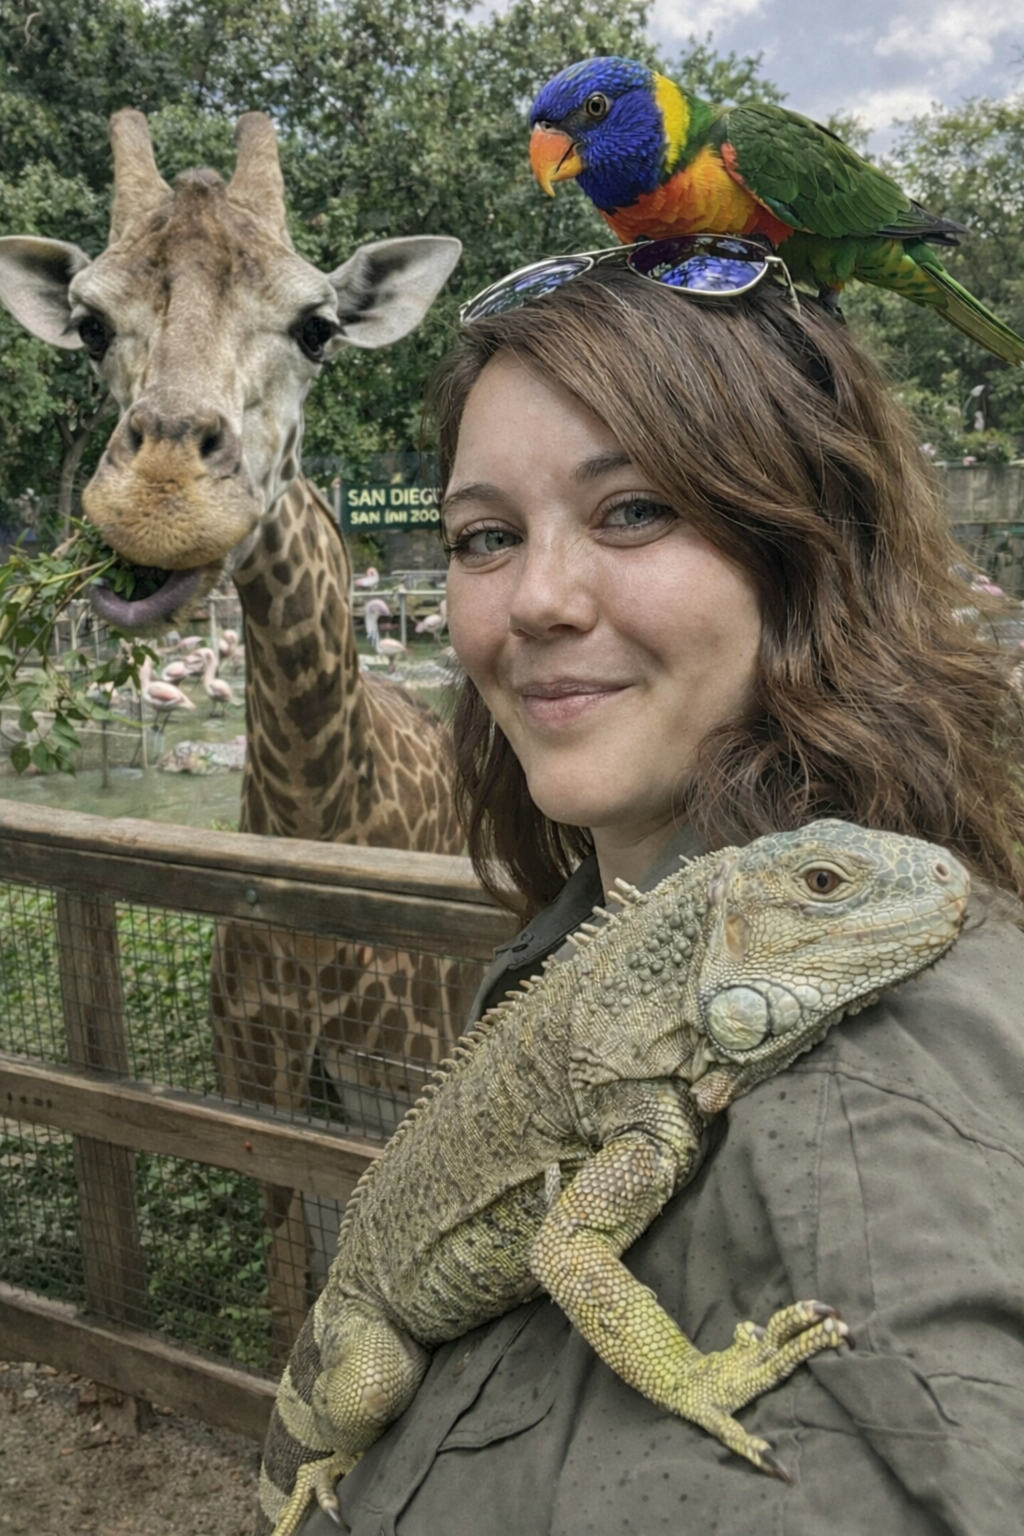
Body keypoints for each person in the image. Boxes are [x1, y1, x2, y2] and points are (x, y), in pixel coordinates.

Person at [296, 241, 1024, 1535]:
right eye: (483, 537)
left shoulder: (874, 1103)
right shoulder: (602, 948)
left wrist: (693, 1377)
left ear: (803, 551)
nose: (535, 599)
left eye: (634, 510)